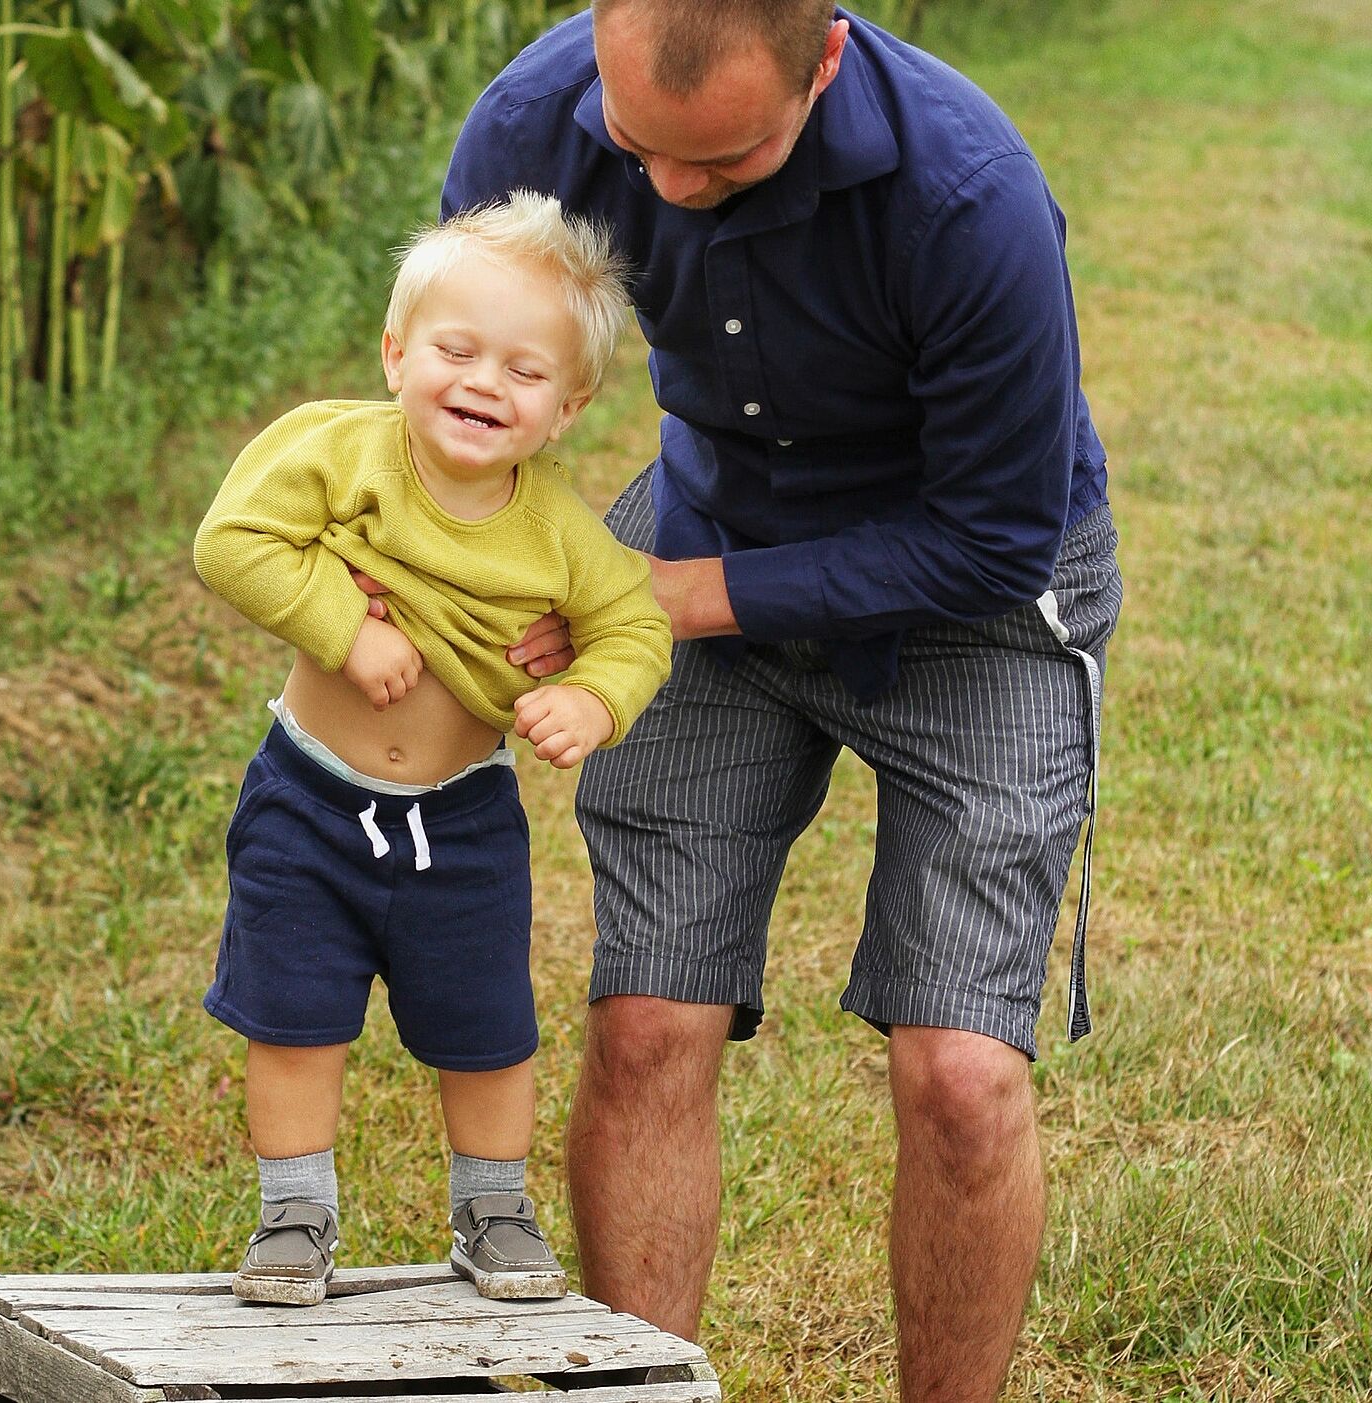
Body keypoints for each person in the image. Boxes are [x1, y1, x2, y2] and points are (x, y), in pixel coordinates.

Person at [443, 1, 1124, 1396]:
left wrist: (664, 597)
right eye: (646, 155)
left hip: (971, 597)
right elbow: (469, 374)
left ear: (825, 57)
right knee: (645, 1020)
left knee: (961, 1072)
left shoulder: (969, 194)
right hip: (714, 517)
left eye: (729, 164)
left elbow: (996, 532)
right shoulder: (534, 121)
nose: (676, 196)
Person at [191, 192, 672, 1307]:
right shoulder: (339, 450)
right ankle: (294, 1213)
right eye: (456, 350)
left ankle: (492, 1208)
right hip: (309, 799)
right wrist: (343, 624)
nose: (482, 382)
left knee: (488, 1027)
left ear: (566, 407)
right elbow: (233, 540)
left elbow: (634, 624)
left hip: (460, 820)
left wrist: (594, 701)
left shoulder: (557, 527)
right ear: (397, 351)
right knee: (293, 1013)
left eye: (522, 369)